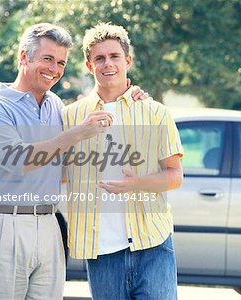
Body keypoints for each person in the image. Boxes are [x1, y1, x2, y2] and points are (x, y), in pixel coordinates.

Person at [0, 23, 146, 299]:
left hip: (49, 224)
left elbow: (67, 162)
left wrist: (132, 94)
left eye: (61, 63)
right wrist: (77, 133)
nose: (54, 69)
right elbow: (20, 160)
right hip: (3, 223)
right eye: (47, 59)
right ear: (23, 57)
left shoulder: (56, 105)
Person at [62, 23, 183, 300]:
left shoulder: (155, 113)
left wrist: (134, 183)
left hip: (152, 245)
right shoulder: (70, 117)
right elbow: (56, 170)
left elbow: (175, 176)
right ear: (89, 65)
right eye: (99, 58)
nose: (108, 64)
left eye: (114, 56)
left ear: (127, 60)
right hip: (101, 251)